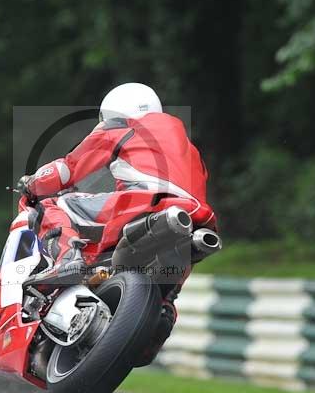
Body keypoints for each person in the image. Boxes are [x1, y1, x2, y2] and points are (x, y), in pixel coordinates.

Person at [16, 82, 216, 364]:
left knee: (55, 204)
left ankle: (67, 259)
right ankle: (162, 312)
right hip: (197, 221)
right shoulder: (189, 148)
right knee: (167, 290)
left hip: (143, 202)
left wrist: (32, 184)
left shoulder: (122, 126)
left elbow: (68, 168)